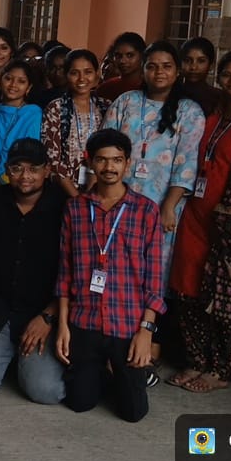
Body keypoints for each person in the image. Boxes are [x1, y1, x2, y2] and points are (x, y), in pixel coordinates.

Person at [169, 50, 231, 392]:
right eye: (227, 74)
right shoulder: (211, 115)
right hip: (195, 216)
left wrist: (227, 218)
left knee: (227, 298)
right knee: (188, 288)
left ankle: (221, 369)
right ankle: (197, 360)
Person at [55, 129, 165, 423]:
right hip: (85, 321)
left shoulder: (146, 211)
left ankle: (135, 374)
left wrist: (146, 332)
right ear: (90, 162)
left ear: (127, 163)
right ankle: (103, 371)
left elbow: (155, 278)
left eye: (117, 160)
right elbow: (65, 272)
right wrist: (63, 325)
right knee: (79, 403)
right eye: (102, 160)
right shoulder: (75, 209)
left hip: (126, 323)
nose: (109, 167)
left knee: (133, 413)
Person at [0, 138, 68, 402]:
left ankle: (22, 361)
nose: (25, 176)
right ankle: (6, 354)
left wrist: (49, 316)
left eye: (34, 169)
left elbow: (74, 272)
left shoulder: (65, 208)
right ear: (6, 170)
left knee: (46, 392)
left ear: (47, 170)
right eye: (17, 168)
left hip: (41, 312)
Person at [104, 40, 205, 278]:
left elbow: (186, 163)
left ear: (177, 71)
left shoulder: (189, 111)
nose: (159, 72)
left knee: (151, 272)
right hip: (117, 199)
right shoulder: (126, 102)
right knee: (113, 267)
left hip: (161, 204)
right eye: (152, 66)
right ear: (143, 70)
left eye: (166, 66)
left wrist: (169, 206)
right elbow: (104, 147)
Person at [42, 48, 109, 197]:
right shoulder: (56, 108)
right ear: (66, 75)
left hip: (100, 188)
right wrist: (77, 198)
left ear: (97, 74)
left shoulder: (106, 107)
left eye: (88, 72)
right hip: (63, 191)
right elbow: (53, 158)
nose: (81, 78)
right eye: (74, 73)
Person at [0, 60, 42, 184]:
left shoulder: (33, 114)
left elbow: (30, 155)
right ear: (0, 81)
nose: (13, 85)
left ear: (29, 88)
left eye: (21, 81)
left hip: (20, 183)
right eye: (8, 79)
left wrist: (3, 182)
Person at [97, 32, 147, 101]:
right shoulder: (106, 88)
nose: (122, 61)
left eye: (130, 55)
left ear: (142, 56)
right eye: (118, 55)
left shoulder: (151, 87)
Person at [179, 36, 221, 112]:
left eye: (201, 61)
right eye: (187, 60)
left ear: (211, 65)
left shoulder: (220, 99)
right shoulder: (170, 95)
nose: (193, 67)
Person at [29, 44, 70, 109]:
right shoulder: (38, 98)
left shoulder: (81, 97)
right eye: (52, 68)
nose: (57, 73)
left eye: (62, 67)